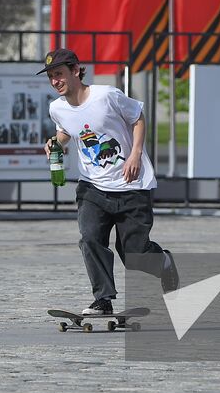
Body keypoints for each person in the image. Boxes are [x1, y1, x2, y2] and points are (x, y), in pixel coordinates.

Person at [41, 48, 178, 316]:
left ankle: (162, 261)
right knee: (90, 239)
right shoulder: (56, 108)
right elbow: (66, 131)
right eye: (50, 77)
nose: (55, 81)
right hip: (92, 187)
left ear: (76, 70)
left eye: (59, 74)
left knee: (133, 255)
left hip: (131, 185)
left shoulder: (107, 96)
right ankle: (103, 300)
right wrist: (55, 143)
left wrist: (135, 154)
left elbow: (137, 118)